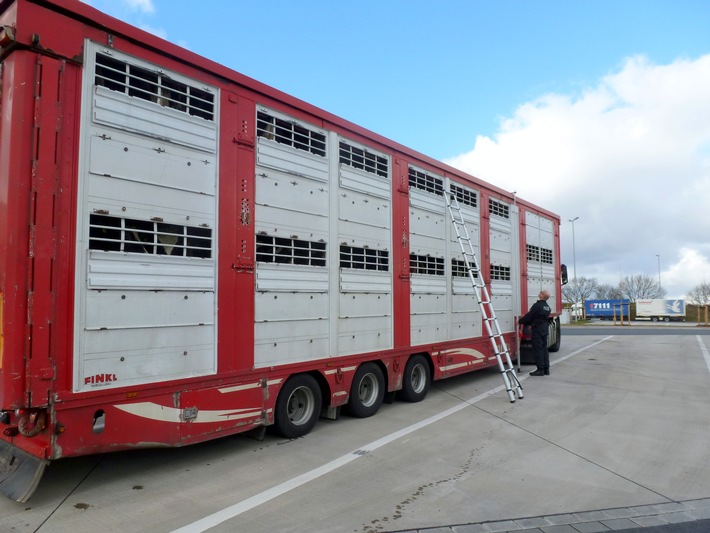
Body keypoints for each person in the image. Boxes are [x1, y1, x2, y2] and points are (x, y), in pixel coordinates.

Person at [520, 290, 552, 376]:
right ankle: (546, 369)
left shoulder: (537, 306)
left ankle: (540, 369)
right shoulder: (547, 307)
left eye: (541, 292)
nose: (539, 293)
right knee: (544, 348)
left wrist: (520, 321)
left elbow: (529, 316)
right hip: (544, 329)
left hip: (537, 329)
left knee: (538, 349)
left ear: (542, 295)